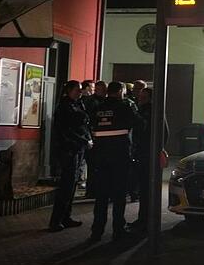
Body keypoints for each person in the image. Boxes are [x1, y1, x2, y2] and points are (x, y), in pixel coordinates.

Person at [88, 81, 137, 241]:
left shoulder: (98, 107)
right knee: (119, 195)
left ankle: (97, 230)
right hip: (120, 156)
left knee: (101, 196)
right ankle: (118, 229)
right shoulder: (125, 107)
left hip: (101, 156)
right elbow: (138, 124)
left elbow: (91, 126)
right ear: (121, 91)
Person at [48, 80, 92, 232]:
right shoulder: (64, 107)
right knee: (66, 185)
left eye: (80, 90)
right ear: (69, 91)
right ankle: (56, 220)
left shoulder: (78, 104)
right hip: (69, 150)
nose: (80, 93)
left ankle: (66, 217)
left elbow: (84, 124)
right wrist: (83, 141)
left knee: (72, 185)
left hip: (78, 149)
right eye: (77, 90)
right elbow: (65, 131)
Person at [130, 87, 170, 231]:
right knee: (144, 189)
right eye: (140, 96)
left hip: (147, 155)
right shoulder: (146, 110)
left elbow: (164, 132)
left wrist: (155, 150)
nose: (140, 98)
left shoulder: (151, 111)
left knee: (146, 189)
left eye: (143, 96)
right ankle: (144, 219)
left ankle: (145, 221)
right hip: (143, 153)